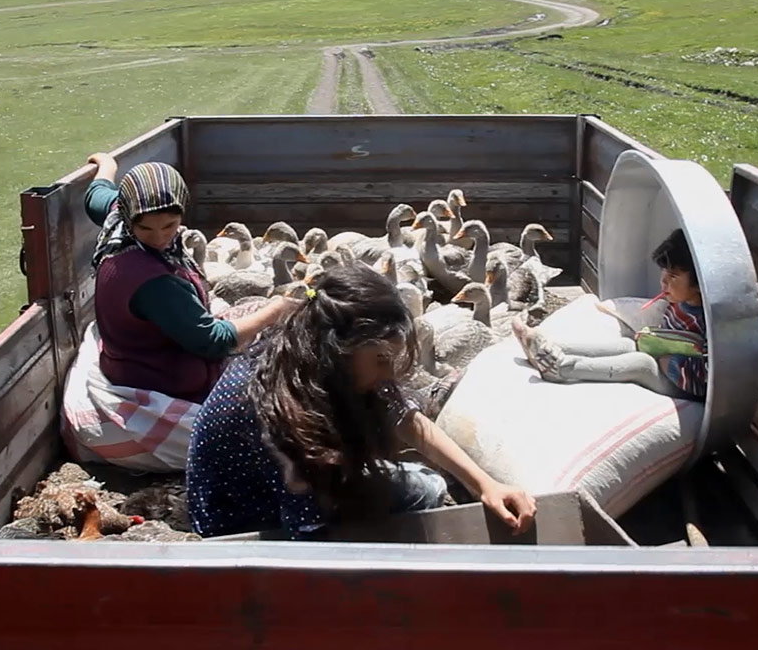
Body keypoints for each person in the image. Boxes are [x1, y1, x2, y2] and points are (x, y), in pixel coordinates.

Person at [186, 263, 538, 539]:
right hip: (239, 526)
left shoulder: (303, 350)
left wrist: (485, 484)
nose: (388, 374)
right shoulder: (278, 414)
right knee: (425, 489)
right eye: (381, 360)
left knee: (421, 479)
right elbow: (307, 541)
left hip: (278, 494)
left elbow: (404, 415)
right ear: (339, 348)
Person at [85, 153, 296, 403]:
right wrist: (277, 309)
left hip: (123, 359)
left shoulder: (119, 219)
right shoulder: (154, 282)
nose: (159, 238)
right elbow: (214, 342)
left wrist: (107, 165)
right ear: (131, 218)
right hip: (160, 382)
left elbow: (95, 195)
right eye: (146, 229)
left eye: (169, 225)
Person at [511, 228, 708, 400]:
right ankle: (549, 348)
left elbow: (709, 377)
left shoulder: (709, 322)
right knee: (629, 344)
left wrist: (671, 364)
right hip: (662, 360)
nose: (663, 282)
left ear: (700, 282)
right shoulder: (677, 303)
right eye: (663, 273)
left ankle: (562, 368)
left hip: (682, 386)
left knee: (642, 364)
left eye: (673, 277)